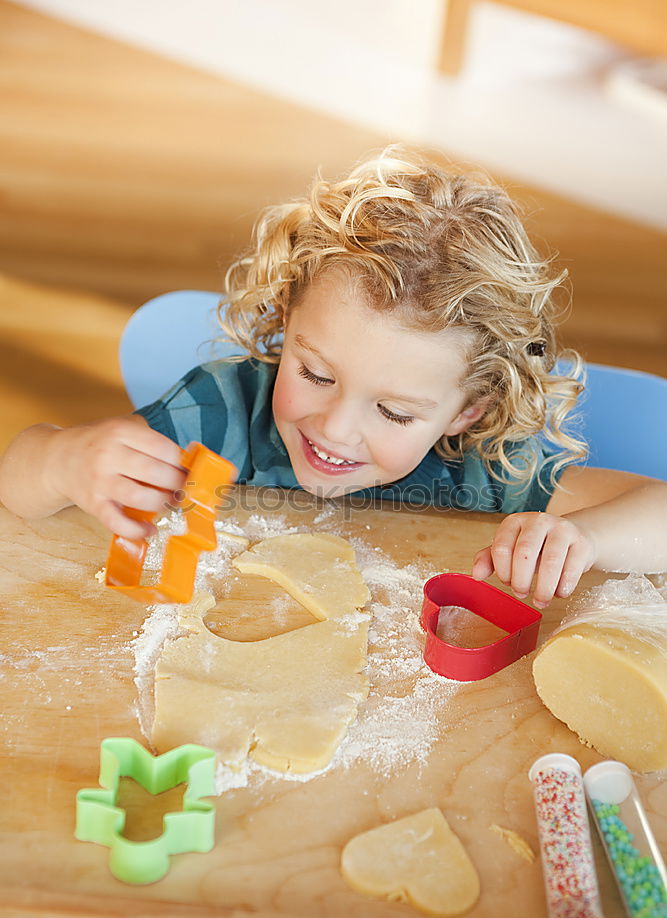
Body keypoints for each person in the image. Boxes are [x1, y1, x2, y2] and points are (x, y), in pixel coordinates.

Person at [1, 146, 665, 608]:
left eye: (396, 413)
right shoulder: (218, 416)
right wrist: (62, 460)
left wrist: (583, 538)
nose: (336, 429)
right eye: (315, 373)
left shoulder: (482, 469)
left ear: (465, 413)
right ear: (285, 321)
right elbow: (17, 491)